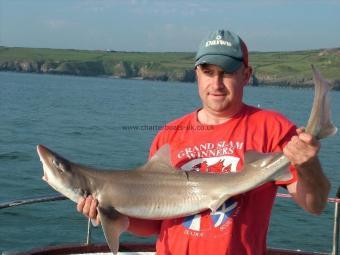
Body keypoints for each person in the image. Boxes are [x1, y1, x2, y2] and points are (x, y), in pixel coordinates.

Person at [77, 29, 330, 255]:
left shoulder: (272, 128)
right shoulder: (169, 134)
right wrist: (111, 213)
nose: (216, 84)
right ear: (196, 73)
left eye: (227, 73)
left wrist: (308, 164)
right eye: (208, 72)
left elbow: (315, 205)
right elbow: (155, 223)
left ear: (246, 74)